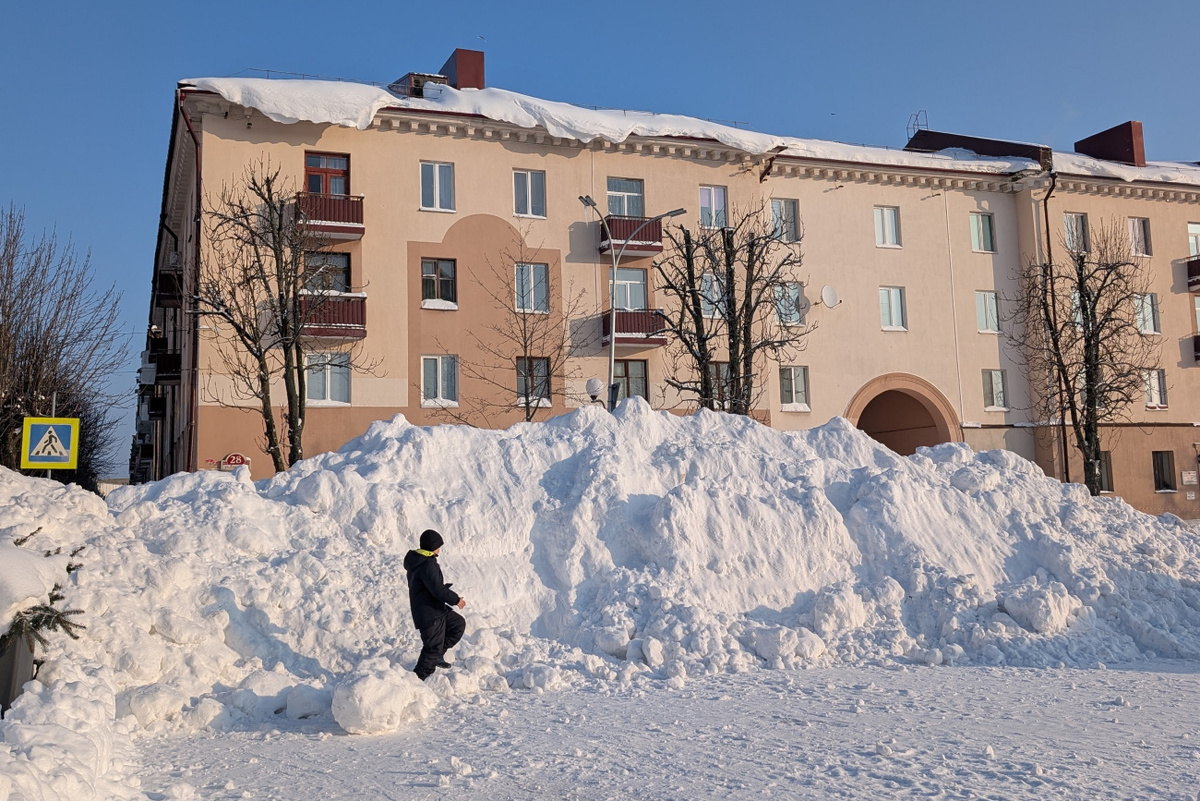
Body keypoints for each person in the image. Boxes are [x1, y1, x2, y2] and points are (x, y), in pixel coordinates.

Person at [403, 529, 467, 680]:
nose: (440, 549)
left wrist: (443, 590)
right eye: (439, 545)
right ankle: (416, 682)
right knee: (431, 649)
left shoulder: (420, 561)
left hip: (434, 608)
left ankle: (438, 655)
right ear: (433, 546)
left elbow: (431, 586)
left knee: (457, 624)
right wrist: (456, 600)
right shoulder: (426, 564)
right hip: (429, 613)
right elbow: (436, 589)